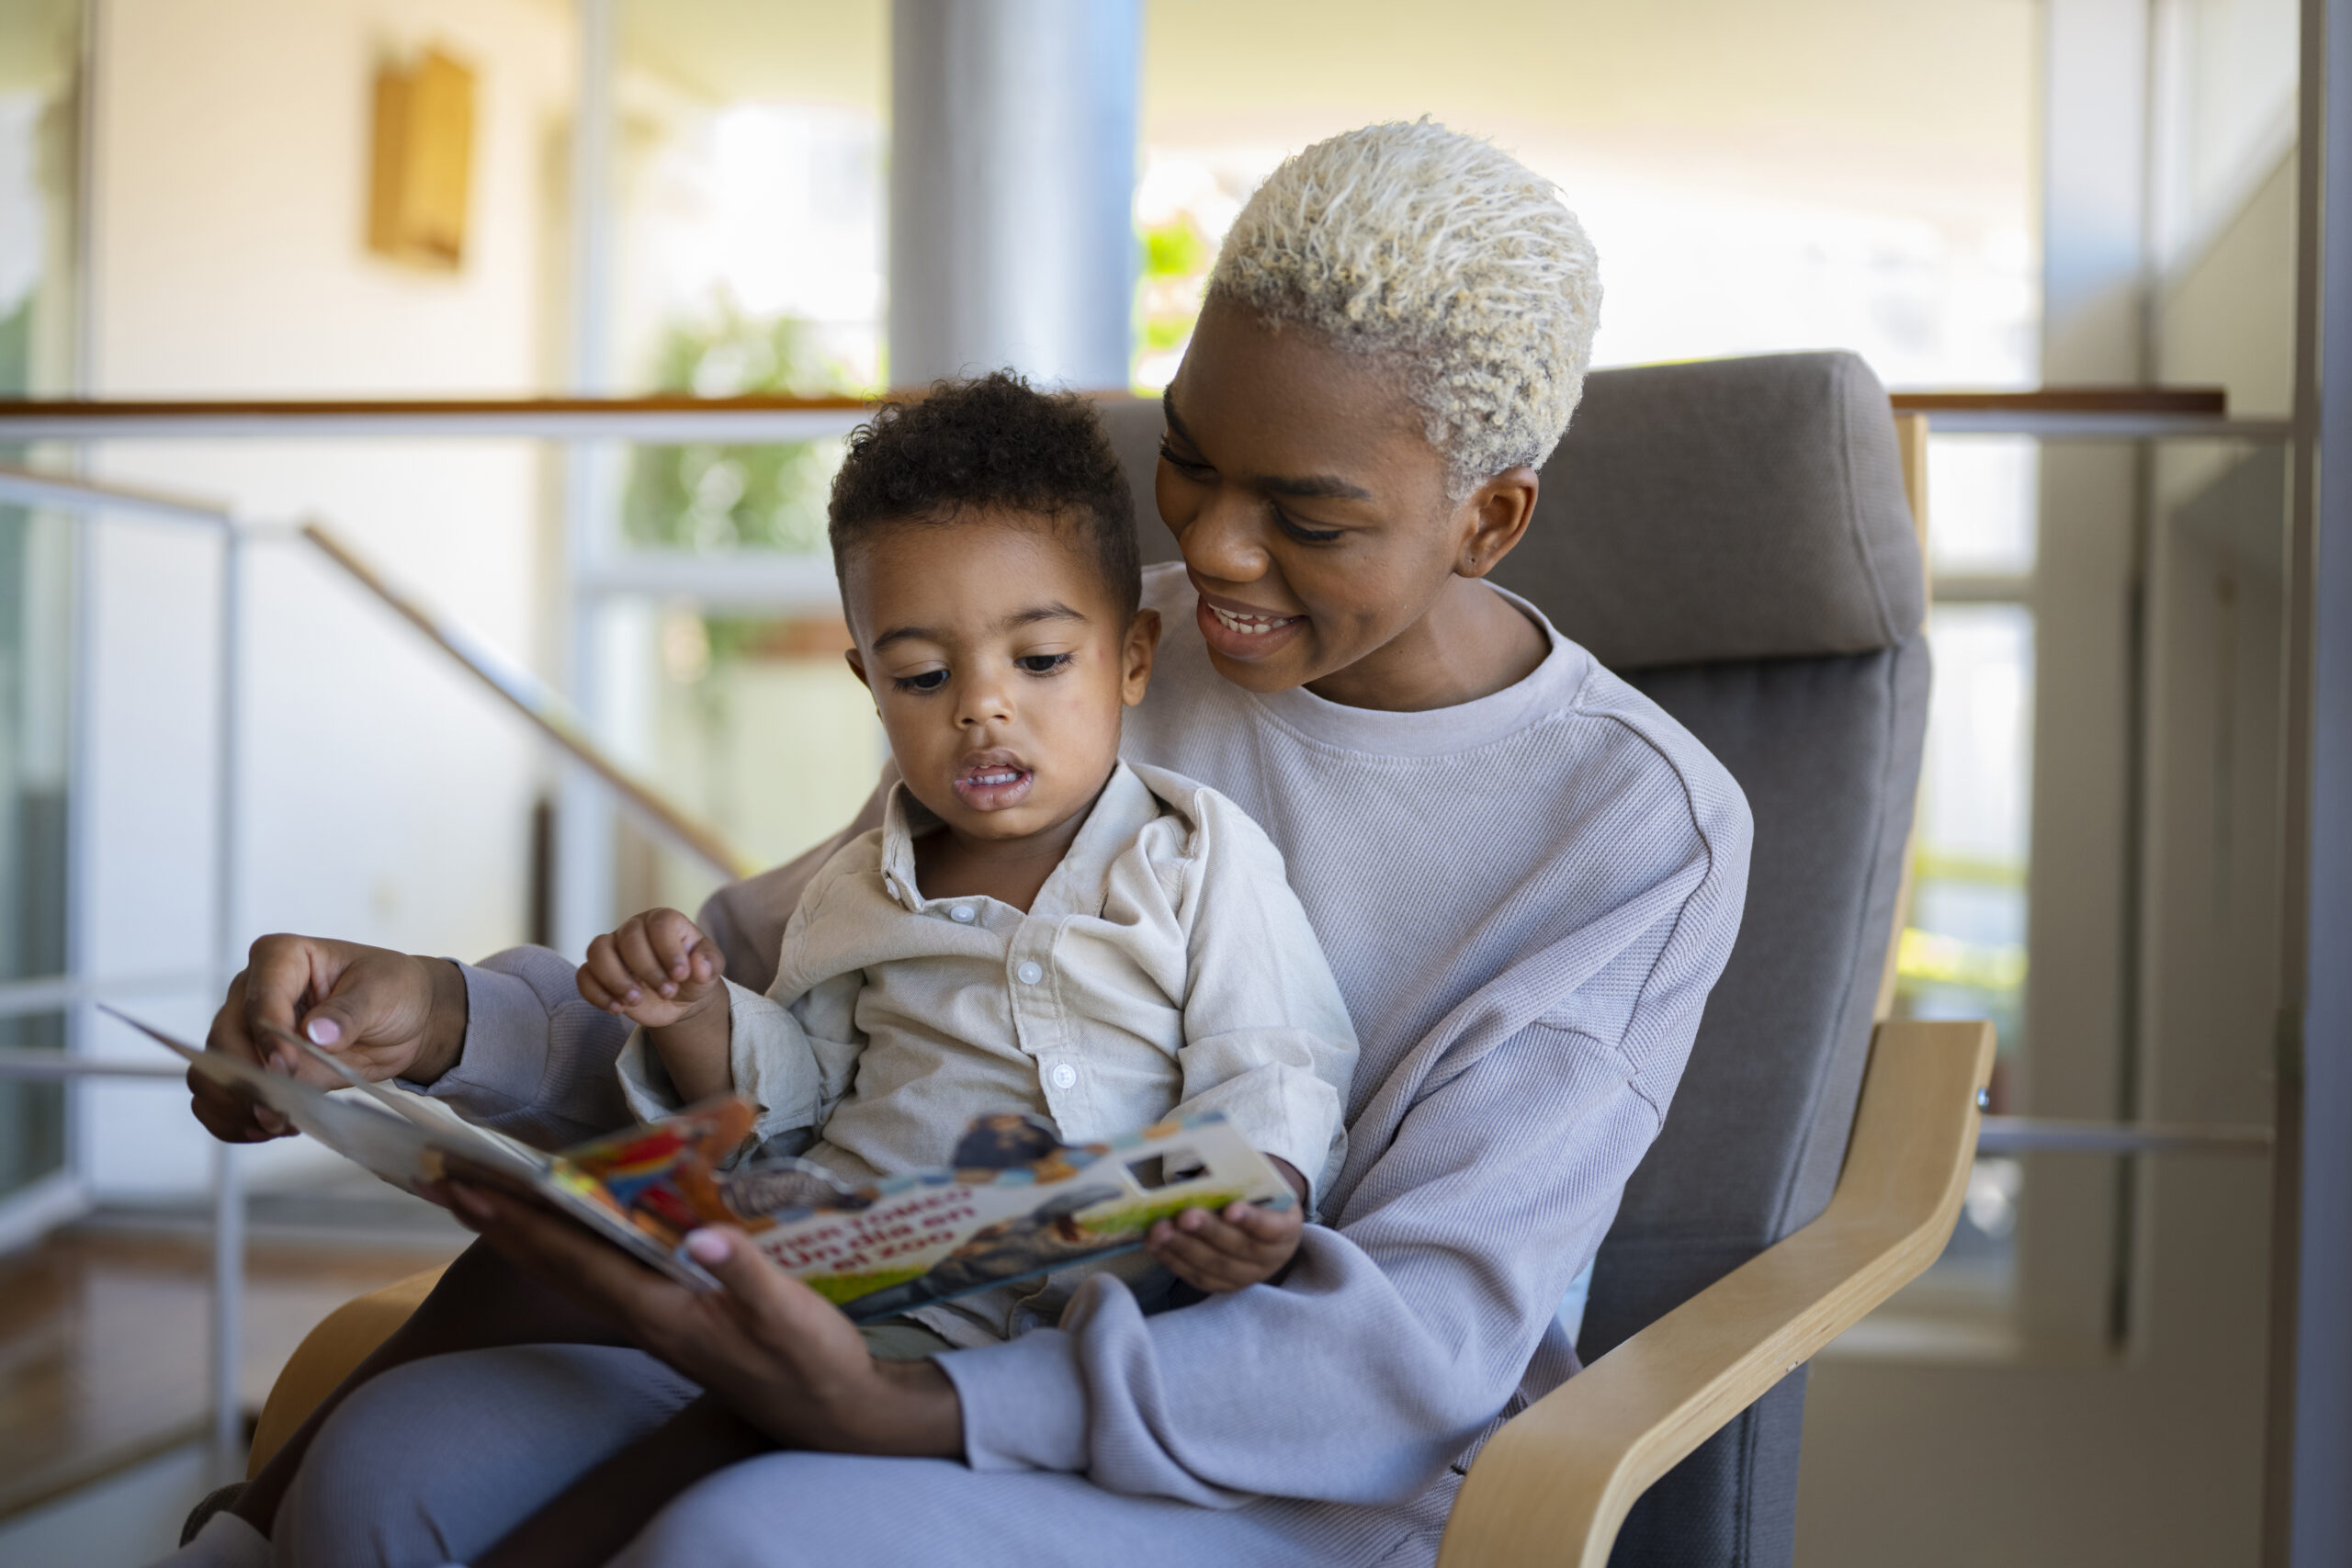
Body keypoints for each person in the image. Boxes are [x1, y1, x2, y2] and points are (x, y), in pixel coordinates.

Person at [181, 118, 1751, 1568]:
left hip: (1265, 1459)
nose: (1206, 546)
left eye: (1310, 516)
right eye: (1190, 454)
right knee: (383, 1466)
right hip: (889, 1304)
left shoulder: (1629, 829)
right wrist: (443, 1013)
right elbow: (772, 981)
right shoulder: (1083, 648)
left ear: (1487, 521)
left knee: (745, 1549)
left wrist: (906, 1416)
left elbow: (1419, 1335)